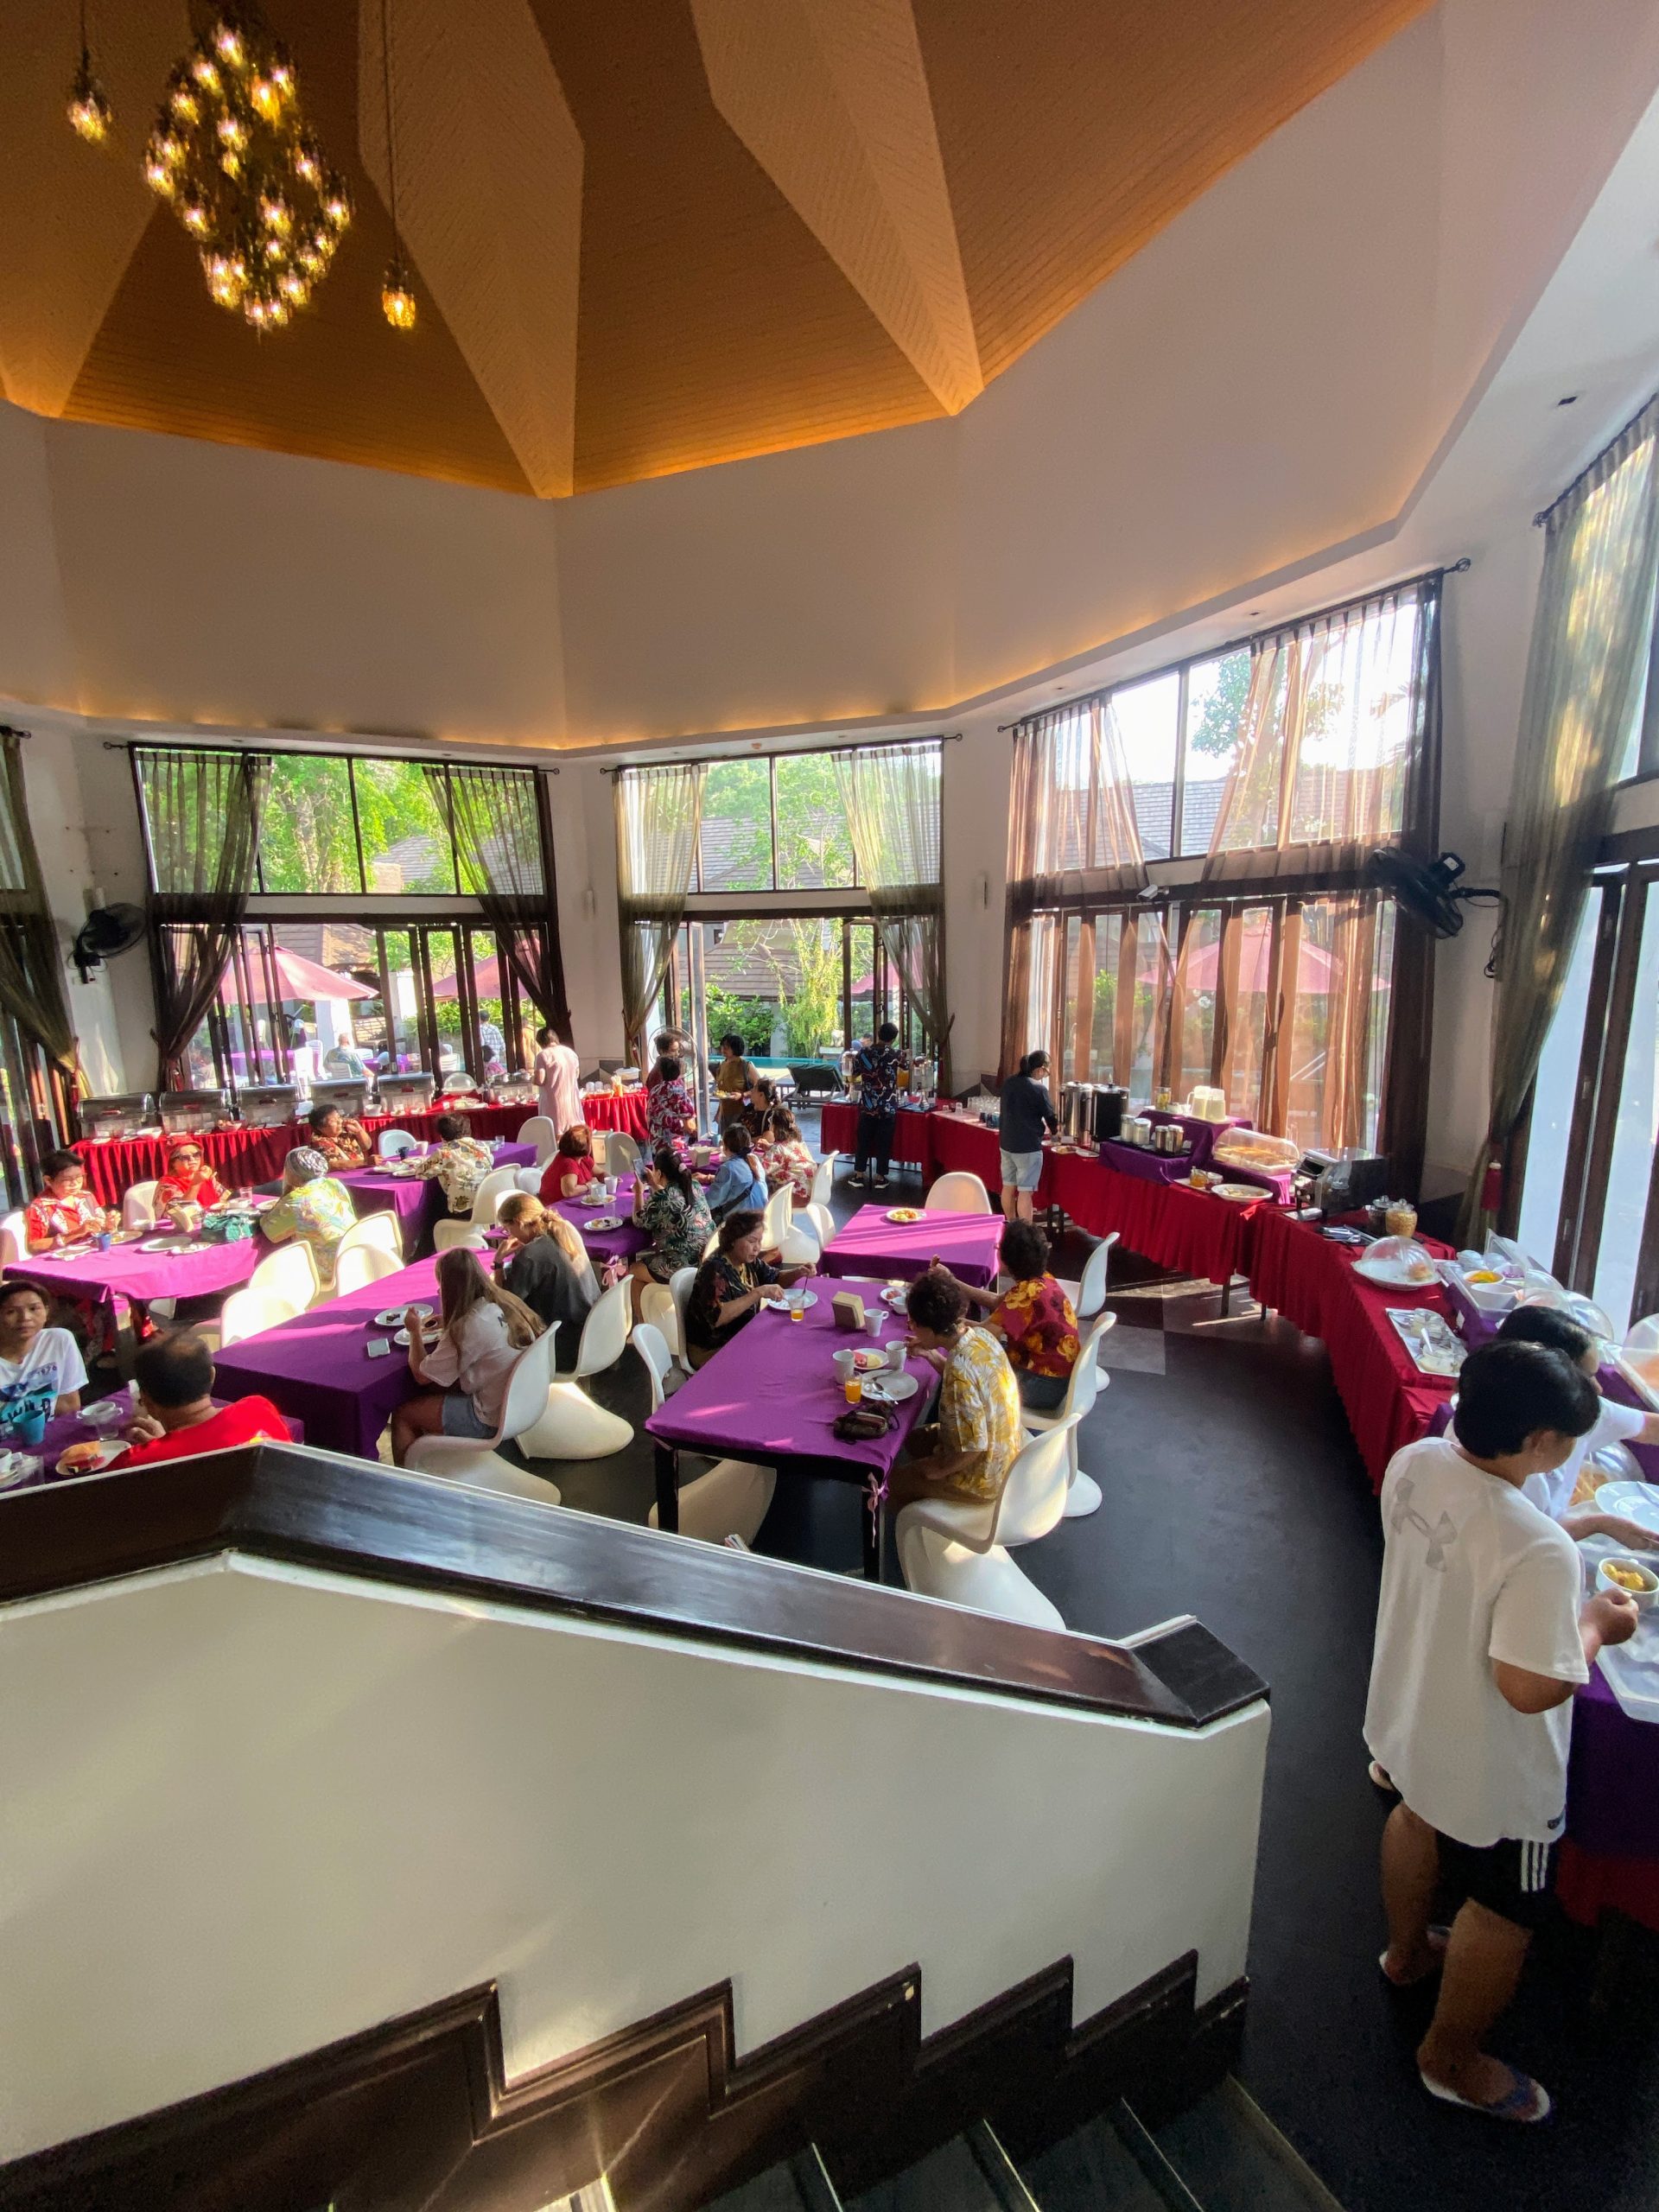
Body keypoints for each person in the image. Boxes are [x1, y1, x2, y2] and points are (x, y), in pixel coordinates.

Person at [1366, 1339, 1639, 2122]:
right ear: (1539, 1442)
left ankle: (1406, 1954)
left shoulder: (1417, 1459)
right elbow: (1529, 1688)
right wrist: (1597, 1626)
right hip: (1495, 1761)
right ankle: (1449, 2057)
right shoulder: (1539, 1547)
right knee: (1509, 1908)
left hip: (1411, 1705)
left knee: (1413, 1816)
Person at [1493, 1304, 1659, 1543]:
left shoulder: (1579, 1406)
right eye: (1587, 1377)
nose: (1599, 1389)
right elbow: (1529, 1541)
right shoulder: (1504, 1457)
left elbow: (1647, 1426)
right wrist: (1598, 1524)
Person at [881, 1268, 1024, 1520]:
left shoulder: (959, 1373)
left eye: (914, 1324)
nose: (912, 1329)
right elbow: (970, 1380)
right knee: (912, 1439)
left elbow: (973, 1448)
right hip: (1006, 1454)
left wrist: (938, 1469)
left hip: (984, 1478)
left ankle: (901, 1534)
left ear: (929, 1328)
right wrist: (931, 1354)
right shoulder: (980, 1336)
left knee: (892, 1483)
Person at [390, 1247, 543, 1464]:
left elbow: (421, 1376)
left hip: (489, 1419)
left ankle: (407, 1480)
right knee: (443, 1387)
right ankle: (433, 1461)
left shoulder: (469, 1326)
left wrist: (414, 1332)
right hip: (523, 1402)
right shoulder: (504, 1302)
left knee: (403, 1415)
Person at [938, 1221, 1080, 1410]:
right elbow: (997, 1301)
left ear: (1007, 1258)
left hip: (1045, 1386)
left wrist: (939, 1327)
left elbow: (983, 1336)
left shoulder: (1026, 1295)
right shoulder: (1041, 1279)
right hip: (1055, 1375)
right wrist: (952, 1281)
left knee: (968, 1367)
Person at [113, 1329, 292, 1466]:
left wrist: (161, 1446)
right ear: (212, 1376)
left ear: (147, 1401)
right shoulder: (258, 1409)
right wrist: (164, 1444)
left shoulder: (133, 1464)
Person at [494, 1193, 612, 1370]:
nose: (509, 1234)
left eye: (507, 1229)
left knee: (501, 1331)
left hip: (563, 1345)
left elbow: (505, 1304)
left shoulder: (529, 1256)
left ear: (519, 1222)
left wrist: (498, 1262)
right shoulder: (566, 1229)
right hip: (592, 1329)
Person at [684, 1208, 810, 1368]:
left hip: (741, 1334)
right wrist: (759, 1292)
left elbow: (775, 1278)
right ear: (732, 1240)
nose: (757, 1248)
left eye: (759, 1241)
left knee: (785, 1343)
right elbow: (717, 1317)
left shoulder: (747, 1260)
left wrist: (799, 1272)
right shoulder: (714, 1269)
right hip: (712, 1348)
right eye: (752, 1241)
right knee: (774, 1356)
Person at [628, 1145, 715, 1318]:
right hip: (707, 1256)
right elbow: (672, 1201)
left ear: (659, 1173)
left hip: (686, 1265)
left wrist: (638, 1192)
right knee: (649, 1265)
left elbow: (639, 1220)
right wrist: (654, 1184)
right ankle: (657, 1315)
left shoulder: (663, 1198)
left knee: (634, 1271)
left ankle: (643, 1326)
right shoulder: (694, 1185)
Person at [261, 1147, 357, 1290]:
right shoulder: (334, 1184)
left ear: (294, 1173)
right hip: (352, 1256)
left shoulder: (297, 1200)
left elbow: (271, 1233)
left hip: (328, 1271)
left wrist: (286, 1193)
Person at [0, 1281, 86, 1421]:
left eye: (34, 1309)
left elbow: (68, 1406)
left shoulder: (59, 1340)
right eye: (11, 1312)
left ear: (46, 1311)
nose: (25, 1318)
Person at [998, 1050, 1058, 1224]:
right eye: (1046, 1073)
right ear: (1040, 1069)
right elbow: (1050, 1117)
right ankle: (1025, 1235)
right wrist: (1055, 1133)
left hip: (1006, 1143)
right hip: (1027, 1147)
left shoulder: (1009, 1082)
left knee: (1008, 1187)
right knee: (1025, 1192)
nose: (1044, 1076)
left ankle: (1011, 1225)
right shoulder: (1038, 1088)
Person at [24, 1150, 118, 1253]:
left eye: (79, 1177)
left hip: (92, 1252)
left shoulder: (86, 1196)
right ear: (48, 1180)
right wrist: (75, 1234)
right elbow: (33, 1245)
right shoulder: (40, 1207)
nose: (75, 1183)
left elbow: (100, 1230)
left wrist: (109, 1226)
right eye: (67, 1180)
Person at [849, 1023, 900, 1190]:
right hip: (888, 1105)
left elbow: (854, 1073)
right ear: (893, 1038)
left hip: (868, 1104)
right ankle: (880, 1177)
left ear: (878, 1034)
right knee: (884, 1142)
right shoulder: (895, 1054)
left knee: (863, 1140)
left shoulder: (863, 1052)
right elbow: (906, 1068)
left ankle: (858, 1175)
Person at [412, 1113, 494, 1217]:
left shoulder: (444, 1153)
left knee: (432, 1205)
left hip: (464, 1210)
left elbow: (421, 1173)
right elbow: (491, 1161)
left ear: (442, 1136)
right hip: (488, 1204)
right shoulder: (483, 1146)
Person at [753, 1103, 815, 1206]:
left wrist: (749, 1159)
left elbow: (761, 1171)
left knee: (757, 1186)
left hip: (795, 1196)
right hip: (809, 1191)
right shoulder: (797, 1143)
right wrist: (770, 1147)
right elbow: (786, 1153)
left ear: (774, 1127)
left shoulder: (777, 1149)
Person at [704, 1125, 767, 1222]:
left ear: (725, 1146)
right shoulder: (754, 1159)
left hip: (742, 1222)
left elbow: (711, 1202)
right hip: (761, 1215)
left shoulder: (728, 1168)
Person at [153, 1139, 227, 1217]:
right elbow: (178, 1215)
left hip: (214, 1220)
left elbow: (226, 1200)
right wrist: (195, 1184)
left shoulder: (205, 1176)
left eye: (196, 1155)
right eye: (185, 1157)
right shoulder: (167, 1184)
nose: (192, 1159)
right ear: (173, 1163)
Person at [532, 1024, 582, 1135]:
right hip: (571, 1101)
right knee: (573, 1134)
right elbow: (576, 1074)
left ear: (540, 1042)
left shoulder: (543, 1055)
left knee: (555, 1134)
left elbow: (540, 1080)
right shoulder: (571, 1053)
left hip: (553, 1102)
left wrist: (532, 1078)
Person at [645, 1054, 696, 1151]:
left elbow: (649, 1116)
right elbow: (689, 1125)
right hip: (675, 1144)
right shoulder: (680, 1092)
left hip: (656, 1142)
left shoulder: (655, 1090)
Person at [538, 1125, 596, 1206]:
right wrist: (589, 1186)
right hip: (555, 1208)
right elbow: (569, 1192)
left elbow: (600, 1173)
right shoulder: (568, 1163)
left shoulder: (583, 1158)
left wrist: (611, 1180)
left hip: (573, 1204)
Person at [306, 1102, 372, 1172]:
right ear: (320, 1127)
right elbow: (335, 1165)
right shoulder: (318, 1142)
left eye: (339, 1117)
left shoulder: (345, 1133)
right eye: (333, 1121)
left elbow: (367, 1146)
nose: (340, 1121)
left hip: (359, 1172)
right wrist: (365, 1162)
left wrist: (359, 1131)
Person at [713, 1033, 757, 1131]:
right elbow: (723, 1093)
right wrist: (718, 1113)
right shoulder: (722, 1065)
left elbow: (760, 1087)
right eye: (722, 1046)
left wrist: (743, 1095)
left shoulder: (745, 1066)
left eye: (727, 1047)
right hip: (725, 1114)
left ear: (735, 1048)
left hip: (742, 1113)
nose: (723, 1049)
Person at [741, 1074, 779, 1141]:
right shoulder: (750, 1108)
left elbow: (769, 1138)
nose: (751, 1091)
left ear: (761, 1095)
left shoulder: (771, 1116)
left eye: (754, 1089)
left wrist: (743, 1141)